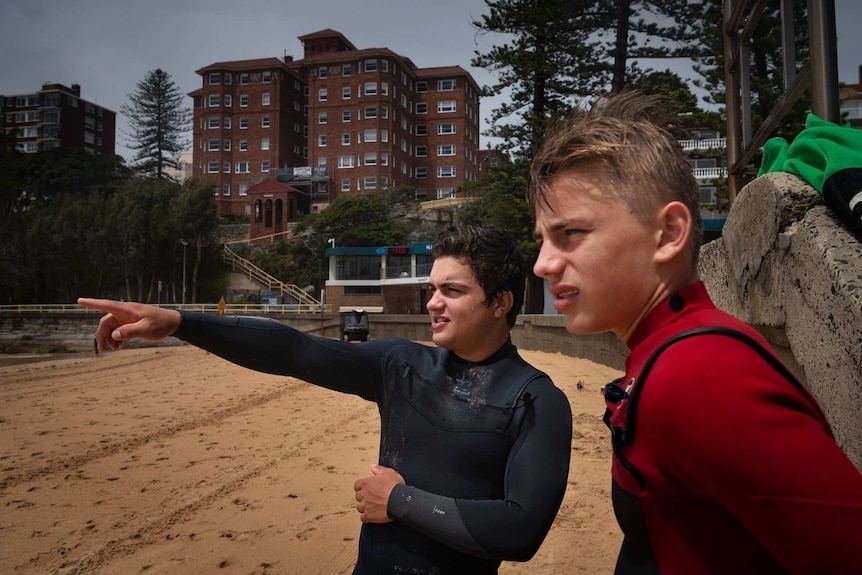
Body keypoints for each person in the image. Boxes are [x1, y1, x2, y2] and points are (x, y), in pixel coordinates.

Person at [78, 223, 573, 575]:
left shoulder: (535, 401)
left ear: (501, 302)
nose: (432, 302)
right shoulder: (401, 366)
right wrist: (182, 323)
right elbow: (295, 349)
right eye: (432, 288)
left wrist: (398, 500)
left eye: (452, 290)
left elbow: (519, 532)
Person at [527, 92, 862, 574]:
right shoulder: (669, 351)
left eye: (571, 235)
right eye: (542, 240)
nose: (543, 264)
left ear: (668, 233)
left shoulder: (698, 374)